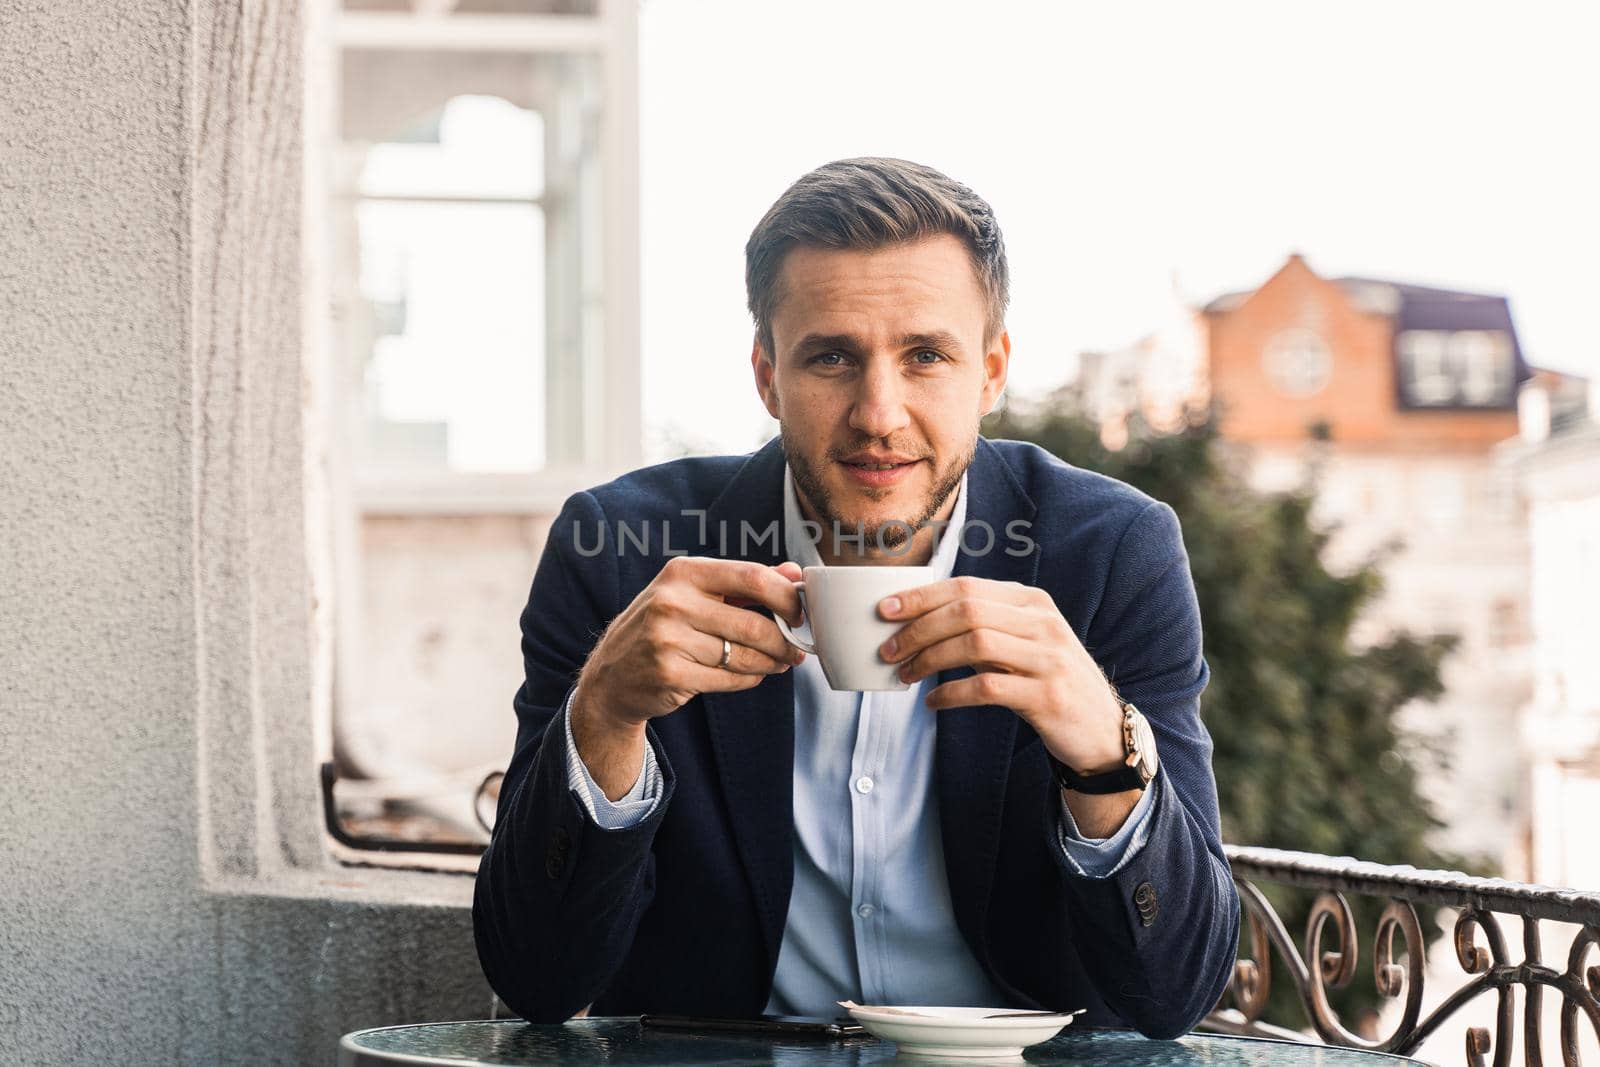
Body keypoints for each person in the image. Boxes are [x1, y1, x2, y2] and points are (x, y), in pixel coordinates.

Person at [473, 157, 1240, 1038]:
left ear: (991, 372)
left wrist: (1105, 749)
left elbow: (1176, 992)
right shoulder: (618, 556)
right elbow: (533, 975)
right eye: (833, 357)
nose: (879, 411)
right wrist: (603, 713)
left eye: (926, 356)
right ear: (767, 375)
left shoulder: (1111, 554)